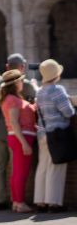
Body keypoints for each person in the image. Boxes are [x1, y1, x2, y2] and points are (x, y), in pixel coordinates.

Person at [0, 54, 36, 211]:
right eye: (21, 80)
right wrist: (24, 143)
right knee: (20, 172)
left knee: (16, 171)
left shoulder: (10, 98)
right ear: (16, 82)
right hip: (20, 137)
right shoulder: (13, 100)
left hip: (15, 137)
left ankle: (16, 202)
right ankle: (19, 202)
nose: (23, 82)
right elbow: (15, 123)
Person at [35, 59, 75, 212]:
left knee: (43, 167)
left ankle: (40, 201)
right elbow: (68, 112)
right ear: (56, 75)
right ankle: (54, 203)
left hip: (42, 132)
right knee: (56, 167)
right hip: (57, 133)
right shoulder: (57, 90)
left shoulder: (39, 91)